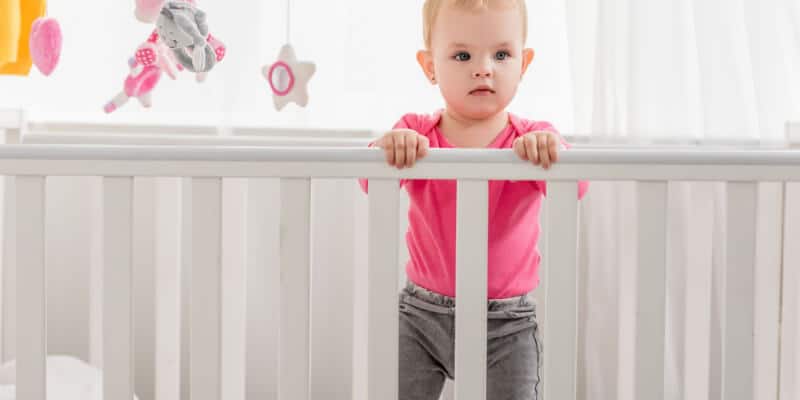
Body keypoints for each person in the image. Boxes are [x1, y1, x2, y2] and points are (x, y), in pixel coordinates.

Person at [360, 1, 589, 398]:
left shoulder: (531, 139)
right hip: (421, 315)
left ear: (524, 63)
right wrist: (390, 145)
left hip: (507, 324)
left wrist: (551, 152)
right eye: (462, 55)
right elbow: (368, 179)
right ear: (430, 66)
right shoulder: (417, 134)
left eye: (501, 55)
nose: (484, 68)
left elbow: (577, 187)